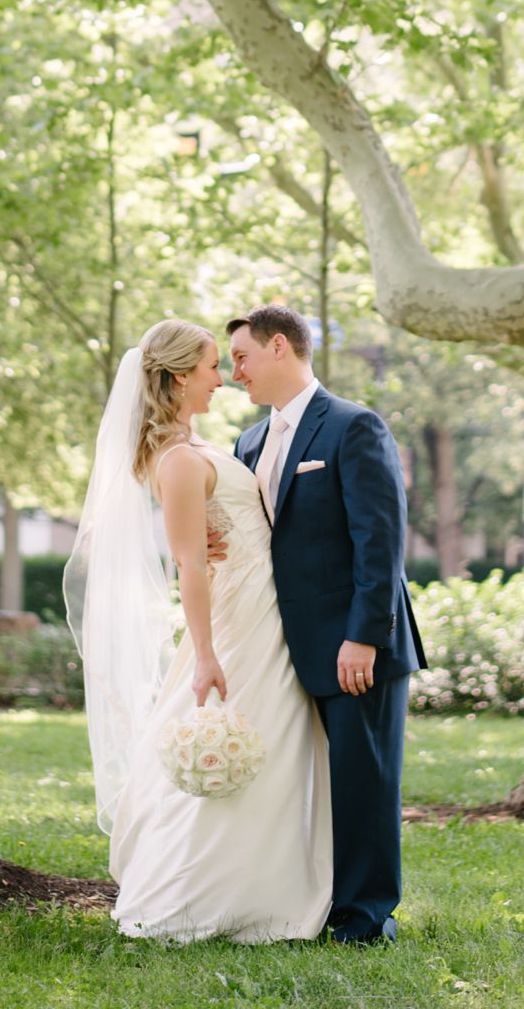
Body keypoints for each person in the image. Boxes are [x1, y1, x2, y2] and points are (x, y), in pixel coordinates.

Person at [63, 317, 331, 942]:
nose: (224, 379)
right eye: (214, 366)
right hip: (242, 621)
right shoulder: (179, 461)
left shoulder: (206, 448)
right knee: (254, 739)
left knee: (281, 745)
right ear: (182, 375)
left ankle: (276, 879)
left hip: (267, 607)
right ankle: (210, 892)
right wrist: (206, 655)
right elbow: (189, 563)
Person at [228, 304, 424, 946]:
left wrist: (364, 635)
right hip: (279, 645)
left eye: (242, 358)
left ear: (279, 346)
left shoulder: (353, 426)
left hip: (354, 644)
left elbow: (380, 541)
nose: (235, 373)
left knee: (363, 783)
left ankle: (366, 919)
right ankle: (303, 902)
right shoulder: (249, 442)